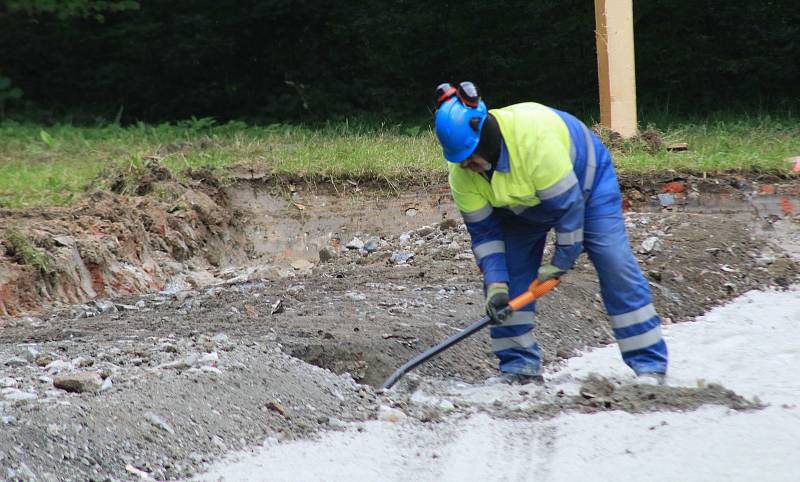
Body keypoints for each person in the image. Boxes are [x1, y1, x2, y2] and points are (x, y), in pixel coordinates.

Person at [433, 81, 668, 384]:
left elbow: (570, 212)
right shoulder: (463, 175)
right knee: (511, 280)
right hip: (520, 208)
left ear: (484, 135)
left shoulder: (534, 142)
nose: (465, 164)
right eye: (458, 159)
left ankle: (649, 364)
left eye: (469, 155)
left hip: (585, 187)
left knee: (614, 261)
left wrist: (560, 263)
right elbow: (485, 236)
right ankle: (519, 369)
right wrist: (496, 285)